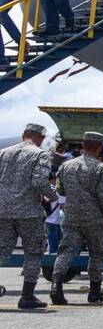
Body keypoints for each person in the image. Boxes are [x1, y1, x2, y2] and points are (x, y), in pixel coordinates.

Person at [50, 131, 103, 305]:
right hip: (95, 219)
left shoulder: (66, 166)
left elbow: (60, 190)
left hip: (72, 217)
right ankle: (95, 291)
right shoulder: (101, 168)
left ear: (82, 145)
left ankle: (56, 286)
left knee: (66, 252)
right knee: (97, 254)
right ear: (99, 148)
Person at [0, 123, 56, 309]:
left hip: (3, 211)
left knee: (1, 250)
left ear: (23, 134)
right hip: (28, 212)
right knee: (33, 252)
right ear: (41, 137)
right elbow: (39, 181)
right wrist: (53, 196)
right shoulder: (40, 154)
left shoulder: (4, 152)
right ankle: (27, 296)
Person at [44, 175, 65, 254]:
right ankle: (52, 263)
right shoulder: (57, 191)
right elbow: (62, 206)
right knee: (54, 248)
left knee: (52, 244)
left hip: (47, 220)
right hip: (55, 222)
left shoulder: (44, 190)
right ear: (53, 180)